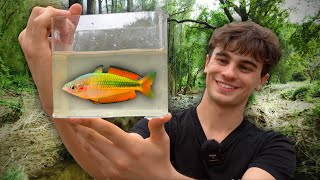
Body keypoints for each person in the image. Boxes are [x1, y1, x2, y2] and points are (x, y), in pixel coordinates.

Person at [19, 3, 296, 180]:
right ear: (207, 63)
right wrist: (51, 95)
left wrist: (164, 177)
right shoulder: (160, 127)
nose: (229, 73)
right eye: (223, 59)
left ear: (262, 80)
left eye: (246, 67)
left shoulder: (274, 147)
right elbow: (105, 166)